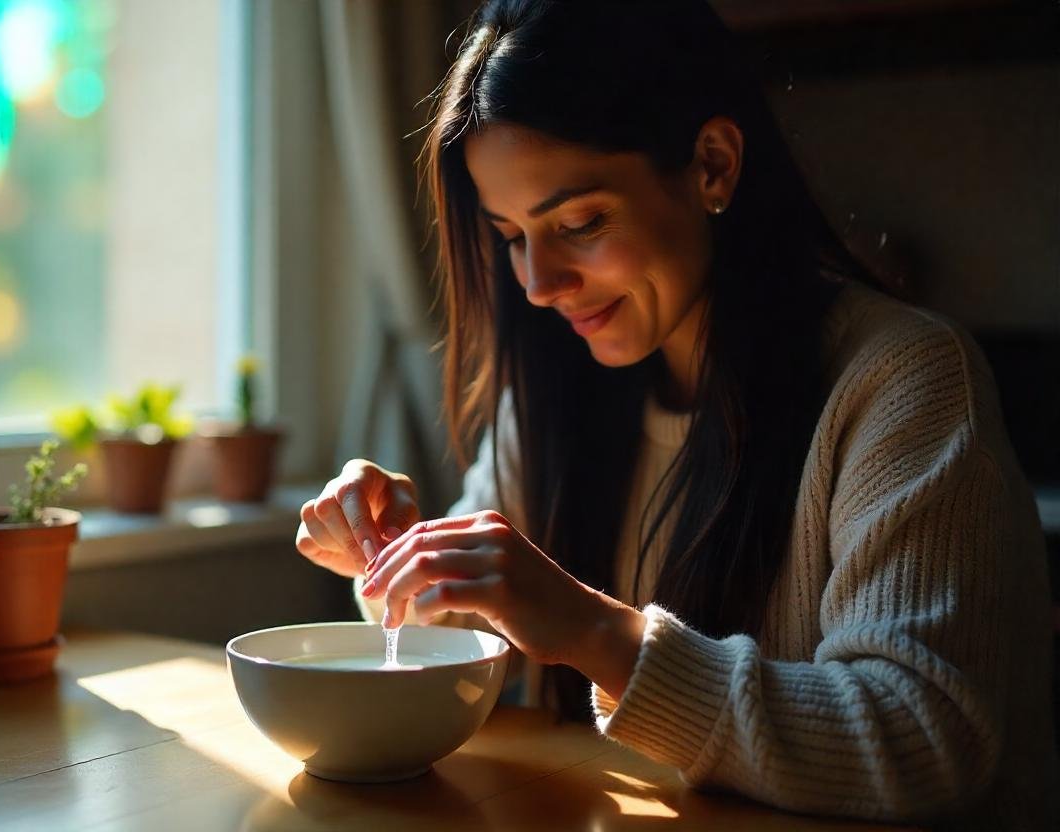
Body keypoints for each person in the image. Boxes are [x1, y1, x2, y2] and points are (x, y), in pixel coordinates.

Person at [293, 1, 1057, 828]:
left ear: (714, 166)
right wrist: (397, 559)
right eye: (512, 235)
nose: (539, 285)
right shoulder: (560, 387)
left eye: (579, 223)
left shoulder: (904, 382)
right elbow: (460, 624)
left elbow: (924, 739)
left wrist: (595, 632)